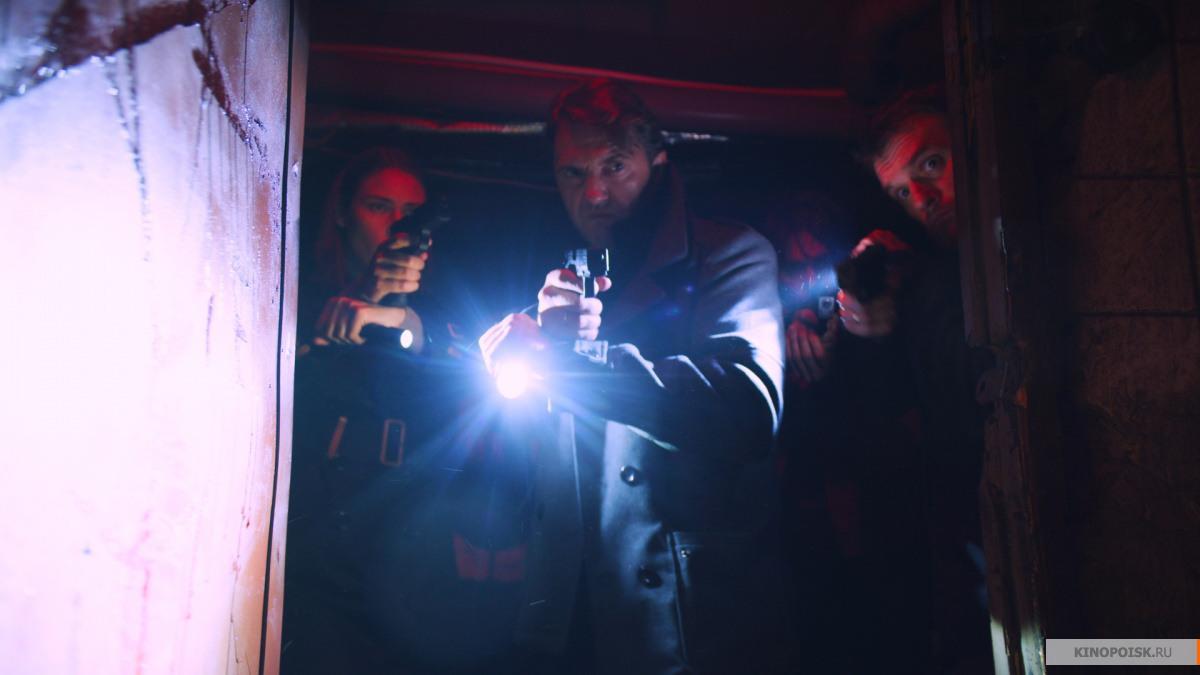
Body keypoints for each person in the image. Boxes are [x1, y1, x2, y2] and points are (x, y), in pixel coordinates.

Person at [477, 79, 788, 674]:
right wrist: (502, 351)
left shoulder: (731, 253)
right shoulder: (558, 280)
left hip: (685, 623)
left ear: (658, 162)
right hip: (567, 624)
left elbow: (748, 410)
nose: (594, 192)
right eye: (573, 173)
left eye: (614, 166)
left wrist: (573, 362)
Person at [284, 149, 529, 674]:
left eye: (410, 212)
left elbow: (457, 357)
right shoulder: (294, 289)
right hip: (317, 529)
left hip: (412, 533)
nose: (396, 224)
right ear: (344, 213)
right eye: (379, 206)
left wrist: (395, 317)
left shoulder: (446, 307)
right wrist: (363, 298)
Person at [842, 87, 994, 674]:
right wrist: (873, 330)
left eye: (932, 164)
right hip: (983, 548)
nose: (924, 200)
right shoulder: (930, 278)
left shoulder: (1028, 240)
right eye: (903, 192)